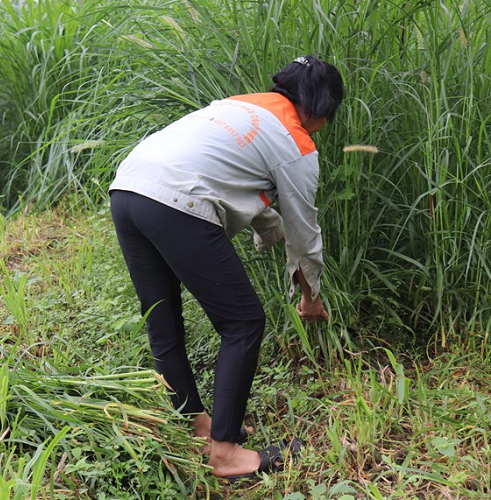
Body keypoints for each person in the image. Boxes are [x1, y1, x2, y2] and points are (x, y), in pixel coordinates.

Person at [108, 55, 343, 479]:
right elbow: (304, 233)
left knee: (162, 318)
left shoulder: (240, 104)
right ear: (321, 110)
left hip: (128, 187)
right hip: (177, 200)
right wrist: (311, 297)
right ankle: (226, 454)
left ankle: (197, 425)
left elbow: (237, 184)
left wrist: (267, 236)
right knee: (245, 323)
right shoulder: (297, 143)